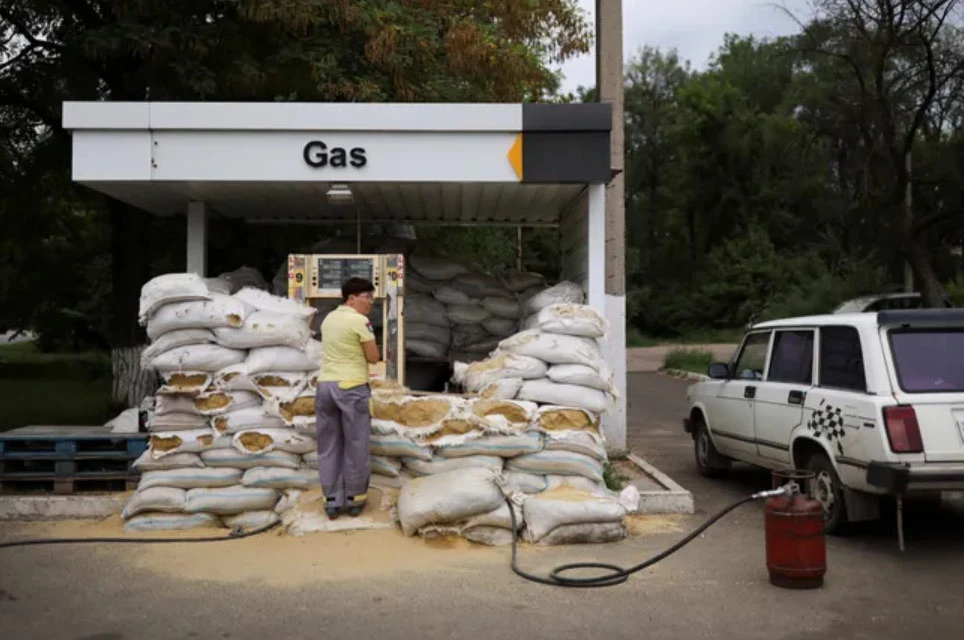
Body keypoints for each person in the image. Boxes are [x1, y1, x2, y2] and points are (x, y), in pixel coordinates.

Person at [315, 277, 380, 519]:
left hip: (325, 387)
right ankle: (355, 498)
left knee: (328, 444)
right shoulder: (360, 321)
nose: (370, 302)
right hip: (351, 388)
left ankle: (331, 500)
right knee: (355, 443)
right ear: (351, 298)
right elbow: (373, 357)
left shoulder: (328, 319)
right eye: (367, 297)